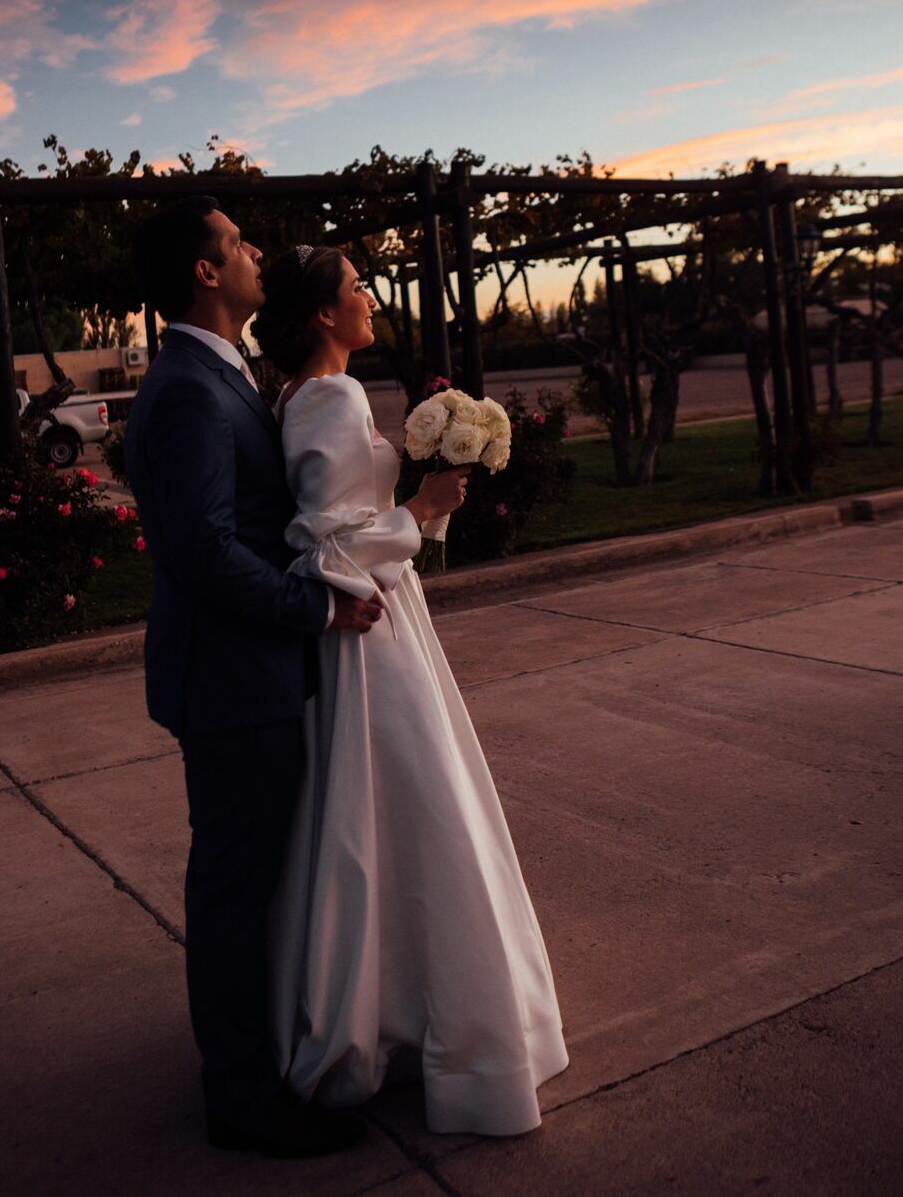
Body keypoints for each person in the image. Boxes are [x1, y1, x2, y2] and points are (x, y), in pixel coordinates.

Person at [255, 244, 569, 1136]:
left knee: (386, 826)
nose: (367, 298)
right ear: (323, 313)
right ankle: (438, 1031)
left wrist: (418, 510)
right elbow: (325, 548)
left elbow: (345, 529)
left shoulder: (313, 395)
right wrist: (422, 508)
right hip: (368, 641)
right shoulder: (328, 396)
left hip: (388, 621)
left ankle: (391, 1008)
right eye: (355, 288)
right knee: (412, 815)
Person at [124, 198, 384, 1161]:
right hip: (234, 683)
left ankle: (259, 1050)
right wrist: (317, 608)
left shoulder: (223, 373)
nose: (254, 252)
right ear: (204, 272)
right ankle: (240, 1099)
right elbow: (201, 549)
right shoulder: (191, 387)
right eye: (236, 242)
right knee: (235, 892)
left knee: (255, 883)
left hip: (252, 676)